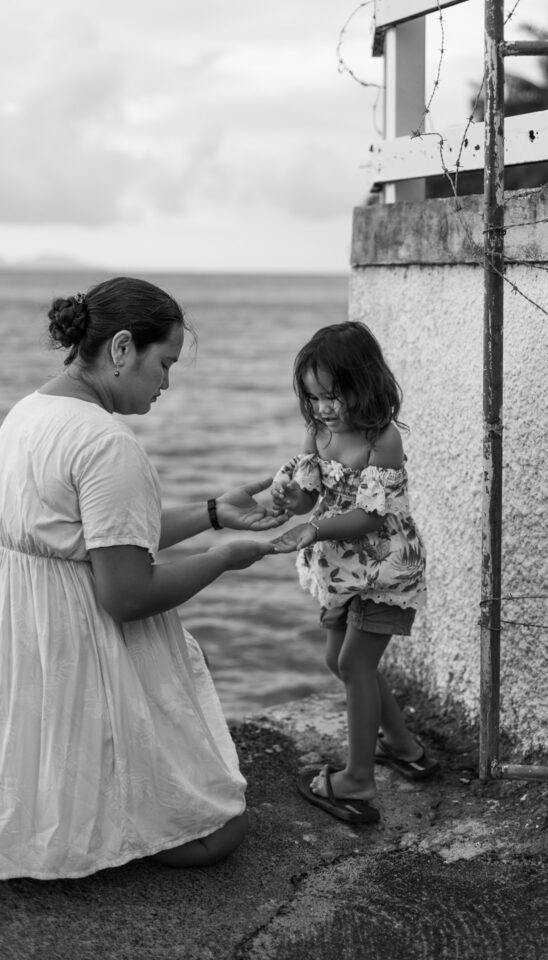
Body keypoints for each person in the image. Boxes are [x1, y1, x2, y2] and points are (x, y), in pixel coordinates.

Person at [0, 275, 287, 880]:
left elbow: (91, 538)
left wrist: (211, 513)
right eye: (165, 363)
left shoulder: (28, 413)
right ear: (123, 348)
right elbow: (126, 593)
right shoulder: (106, 442)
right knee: (220, 826)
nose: (167, 383)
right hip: (83, 647)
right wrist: (223, 557)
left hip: (33, 642)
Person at [270, 320, 437, 826]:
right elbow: (309, 490)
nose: (323, 408)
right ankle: (403, 745)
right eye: (313, 397)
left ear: (363, 384)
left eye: (332, 396)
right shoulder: (320, 432)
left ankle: (358, 780)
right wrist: (288, 499)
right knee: (338, 659)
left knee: (356, 664)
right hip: (343, 570)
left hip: (386, 569)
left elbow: (369, 516)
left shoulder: (380, 439)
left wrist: (313, 528)